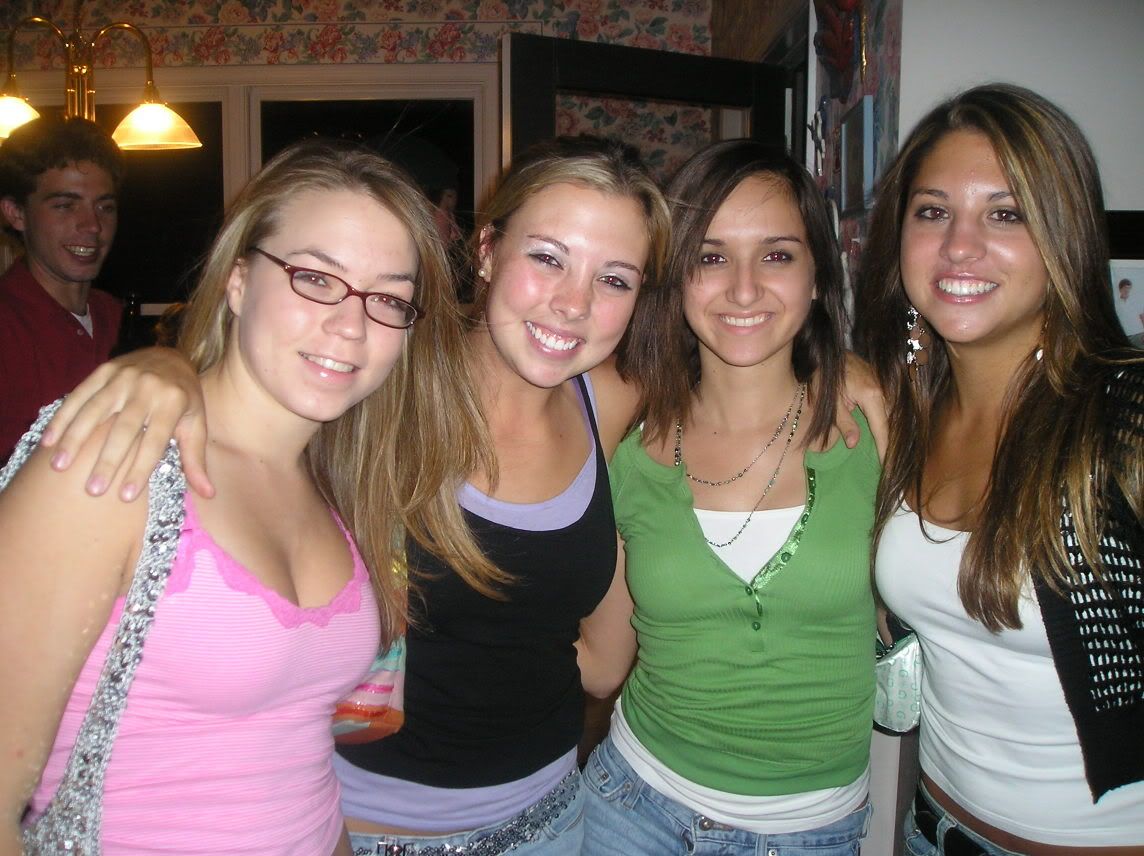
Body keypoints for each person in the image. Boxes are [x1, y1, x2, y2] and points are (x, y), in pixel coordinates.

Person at [0, 139, 486, 854]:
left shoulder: (335, 481)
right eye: (315, 278)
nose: (351, 324)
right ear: (237, 281)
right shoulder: (116, 461)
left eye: (388, 297)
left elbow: (296, 760)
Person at [859, 83, 1144, 853]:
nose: (960, 245)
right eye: (932, 212)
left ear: (1063, 234)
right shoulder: (904, 411)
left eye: (1006, 213)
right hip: (932, 827)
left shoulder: (1124, 420)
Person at [579, 140, 879, 855]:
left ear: (816, 276)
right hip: (631, 809)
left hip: (814, 832)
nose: (744, 290)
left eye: (776, 255)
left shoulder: (875, 426)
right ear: (676, 280)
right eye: (711, 258)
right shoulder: (628, 451)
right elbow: (603, 663)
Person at [0, 116, 125, 462]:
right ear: (16, 214)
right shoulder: (7, 327)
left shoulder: (117, 317)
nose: (92, 225)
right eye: (65, 205)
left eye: (105, 207)